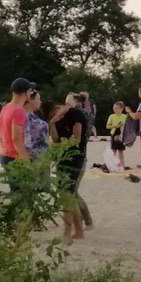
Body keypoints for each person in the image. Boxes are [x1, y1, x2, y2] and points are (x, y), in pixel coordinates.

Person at [50, 95, 88, 240]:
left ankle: (69, 229)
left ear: (59, 107)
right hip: (62, 159)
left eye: (55, 113)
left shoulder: (75, 113)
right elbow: (54, 139)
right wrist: (52, 123)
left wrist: (59, 146)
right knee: (66, 194)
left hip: (76, 160)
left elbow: (76, 140)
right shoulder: (56, 121)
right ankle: (78, 230)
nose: (56, 116)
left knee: (68, 194)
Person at [0, 78, 35, 172]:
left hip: (5, 154)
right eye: (30, 90)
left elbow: (1, 135)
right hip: (15, 157)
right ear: (25, 93)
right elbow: (16, 138)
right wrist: (27, 163)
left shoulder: (5, 108)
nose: (31, 93)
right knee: (22, 187)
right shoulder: (19, 111)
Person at [22, 90, 50, 158]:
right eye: (38, 99)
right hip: (34, 156)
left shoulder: (31, 116)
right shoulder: (27, 116)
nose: (40, 102)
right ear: (30, 100)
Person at [106, 101, 128, 168]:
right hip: (114, 134)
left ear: (122, 108)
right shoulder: (111, 116)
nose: (115, 109)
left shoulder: (125, 116)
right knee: (113, 151)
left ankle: (122, 165)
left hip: (122, 135)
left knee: (121, 151)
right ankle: (111, 165)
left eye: (117, 108)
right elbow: (107, 126)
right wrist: (116, 126)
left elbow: (128, 126)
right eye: (114, 108)